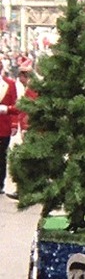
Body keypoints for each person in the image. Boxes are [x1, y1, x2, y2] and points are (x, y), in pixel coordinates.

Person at [5, 57, 36, 200]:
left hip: (31, 129)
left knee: (26, 161)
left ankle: (24, 190)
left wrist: (6, 109)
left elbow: (27, 109)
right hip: (30, 129)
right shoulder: (31, 88)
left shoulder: (31, 89)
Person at [0, 60, 18, 195]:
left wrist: (6, 109)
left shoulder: (9, 84)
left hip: (3, 125)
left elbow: (16, 106)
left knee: (1, 155)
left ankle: (0, 183)